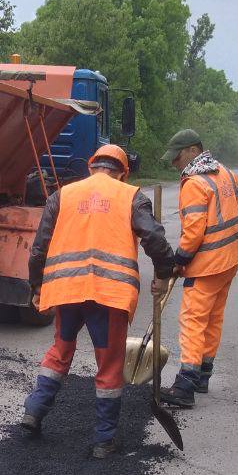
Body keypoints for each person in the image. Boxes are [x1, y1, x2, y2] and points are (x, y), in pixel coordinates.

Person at [20, 144, 175, 458]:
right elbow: (155, 239)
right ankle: (104, 442)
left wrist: (37, 285)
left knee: (60, 351)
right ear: (122, 172)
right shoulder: (131, 196)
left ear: (92, 167)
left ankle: (33, 412)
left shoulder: (62, 195)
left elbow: (39, 248)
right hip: (108, 295)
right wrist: (163, 273)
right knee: (109, 365)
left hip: (67, 289)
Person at [158, 128, 238, 410]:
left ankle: (185, 385)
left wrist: (179, 260)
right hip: (231, 259)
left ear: (193, 151)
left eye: (177, 157)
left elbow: (194, 232)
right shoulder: (225, 172)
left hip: (208, 264)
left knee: (193, 321)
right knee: (213, 317)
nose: (174, 163)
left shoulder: (195, 183)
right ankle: (203, 376)